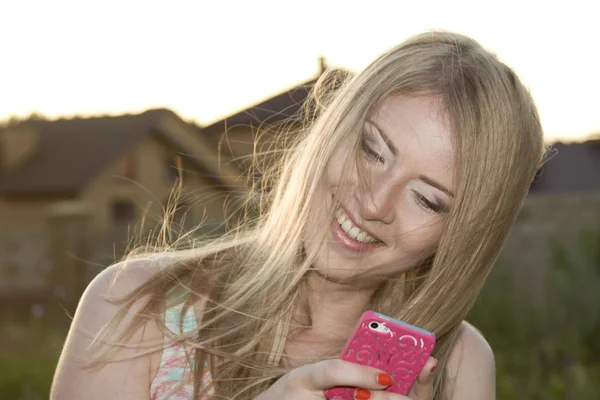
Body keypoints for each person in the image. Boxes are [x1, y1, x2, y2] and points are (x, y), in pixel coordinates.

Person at [51, 30, 545, 400]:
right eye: (371, 150)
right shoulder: (135, 307)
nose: (374, 203)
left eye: (428, 199)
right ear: (331, 128)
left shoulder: (459, 364)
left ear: (462, 235)